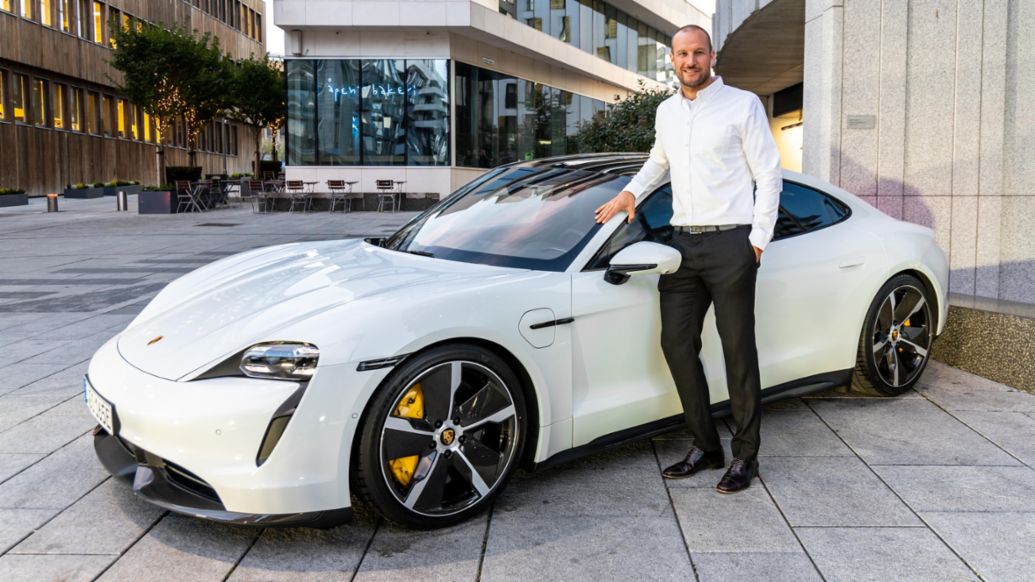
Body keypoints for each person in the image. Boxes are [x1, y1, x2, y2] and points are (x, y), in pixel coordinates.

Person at [593, 24, 781, 493]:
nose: (690, 61)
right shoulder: (667, 111)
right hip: (682, 246)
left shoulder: (742, 104)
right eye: (682, 54)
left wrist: (757, 240)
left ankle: (745, 455)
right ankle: (706, 446)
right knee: (676, 344)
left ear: (711, 56)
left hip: (731, 243)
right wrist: (630, 193)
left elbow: (768, 174)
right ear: (672, 59)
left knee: (738, 351)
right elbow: (659, 161)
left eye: (698, 52)